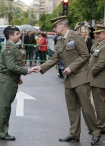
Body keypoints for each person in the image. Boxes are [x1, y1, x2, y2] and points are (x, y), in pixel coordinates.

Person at [32, 16, 101, 145]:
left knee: (86, 108)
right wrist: (41, 67)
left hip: (80, 77)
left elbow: (85, 54)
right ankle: (74, 133)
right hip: (69, 79)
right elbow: (54, 58)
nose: (54, 28)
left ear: (62, 25)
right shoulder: (60, 41)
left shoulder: (75, 36)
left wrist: (71, 67)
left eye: (55, 26)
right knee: (72, 108)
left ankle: (95, 133)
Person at [0, 26, 33, 141]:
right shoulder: (9, 48)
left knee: (6, 107)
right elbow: (11, 67)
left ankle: (2, 131)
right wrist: (27, 70)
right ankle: (1, 133)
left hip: (11, 80)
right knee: (4, 107)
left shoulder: (12, 47)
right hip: (7, 81)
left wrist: (18, 77)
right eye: (17, 33)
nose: (19, 35)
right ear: (11, 36)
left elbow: (11, 65)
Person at [89, 24, 105, 135]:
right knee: (100, 104)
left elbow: (100, 64)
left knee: (100, 105)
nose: (96, 35)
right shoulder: (100, 44)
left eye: (99, 33)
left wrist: (89, 74)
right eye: (95, 33)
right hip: (98, 79)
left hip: (99, 80)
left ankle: (101, 126)